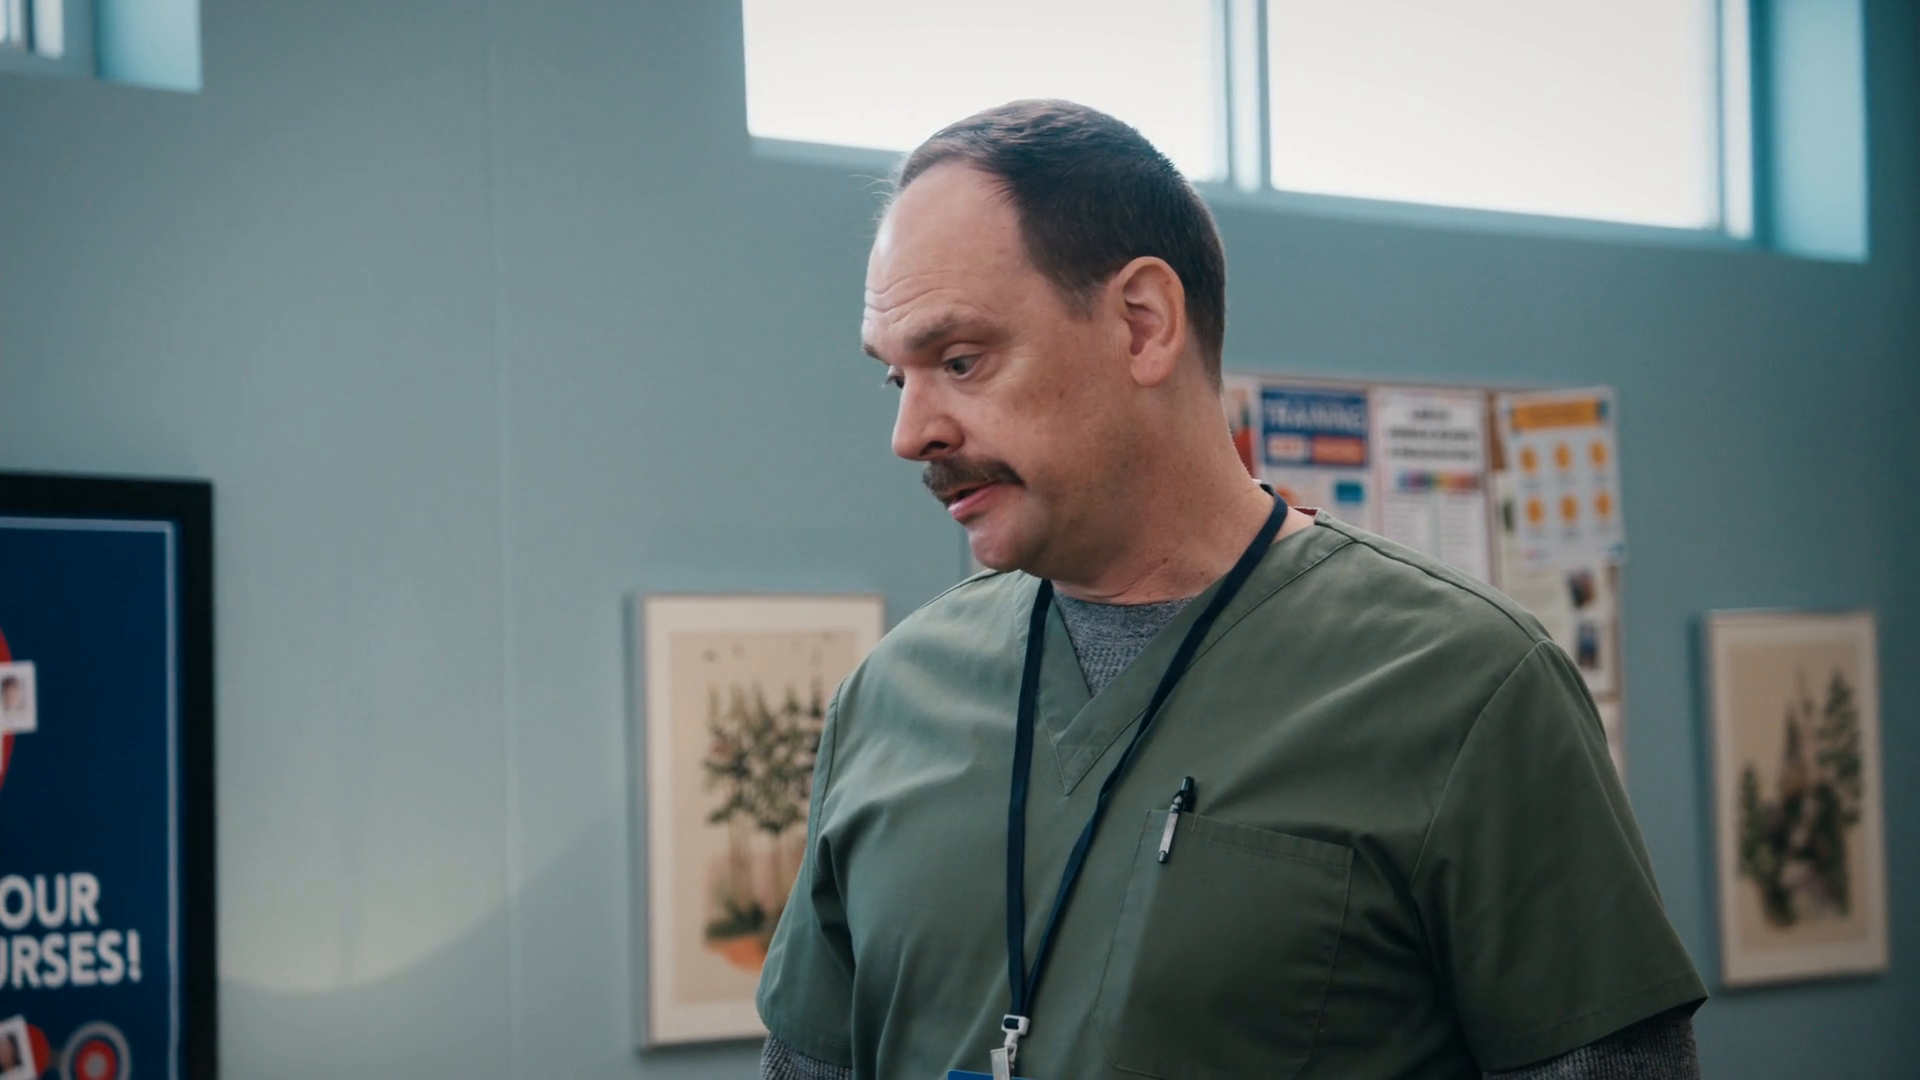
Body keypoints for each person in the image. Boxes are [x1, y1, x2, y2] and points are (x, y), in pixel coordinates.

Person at [756, 100, 1705, 1079]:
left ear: (1143, 324)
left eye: (961, 361)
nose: (911, 434)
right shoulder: (888, 701)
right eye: (897, 379)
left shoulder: (1470, 690)